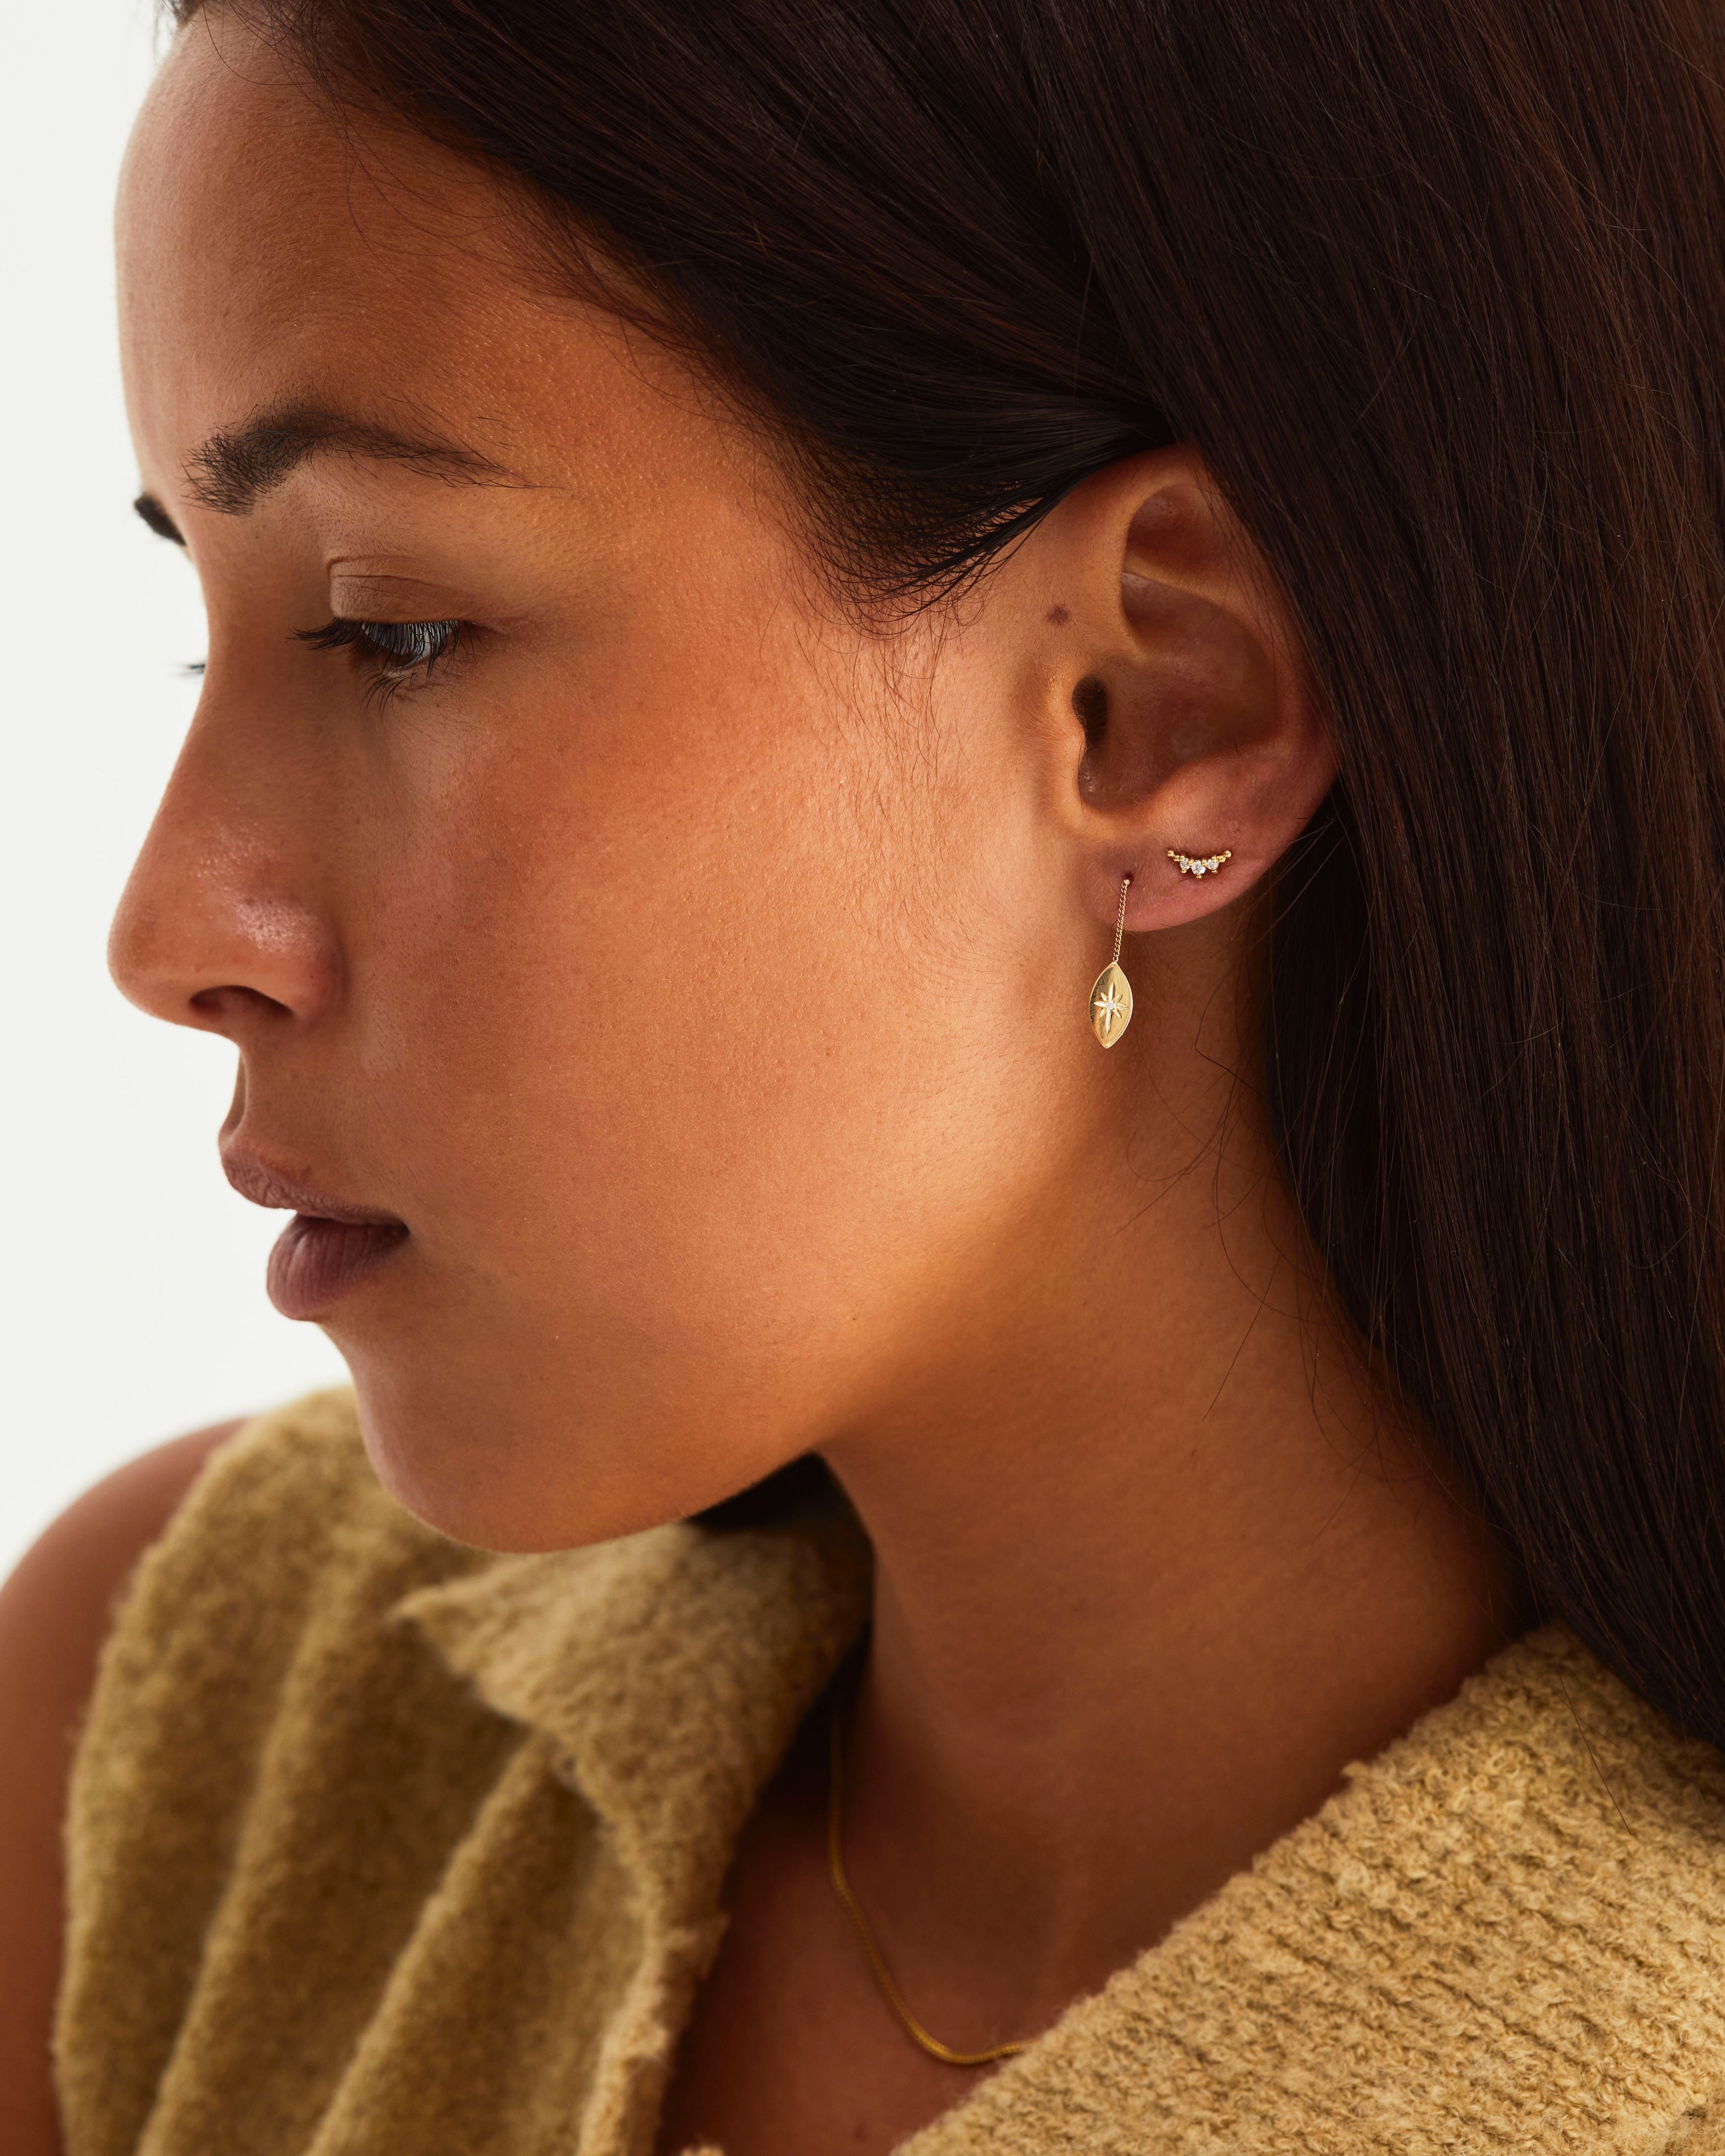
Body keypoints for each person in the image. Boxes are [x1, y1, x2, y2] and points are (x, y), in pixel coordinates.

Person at [9, 0, 1725, 2149]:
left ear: (1148, 701)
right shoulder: (192, 1714)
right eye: (206, 624)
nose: (170, 931)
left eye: (389, 627)